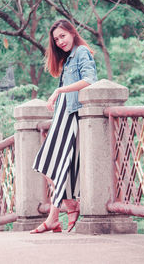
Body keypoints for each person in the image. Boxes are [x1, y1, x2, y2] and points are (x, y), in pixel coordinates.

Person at [30, 19, 97, 233]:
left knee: (49, 163)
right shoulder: (68, 58)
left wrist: (59, 91)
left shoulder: (81, 53)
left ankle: (55, 217)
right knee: (46, 164)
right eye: (56, 39)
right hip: (62, 115)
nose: (60, 41)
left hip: (71, 116)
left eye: (62, 36)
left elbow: (90, 80)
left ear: (72, 33)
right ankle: (68, 207)